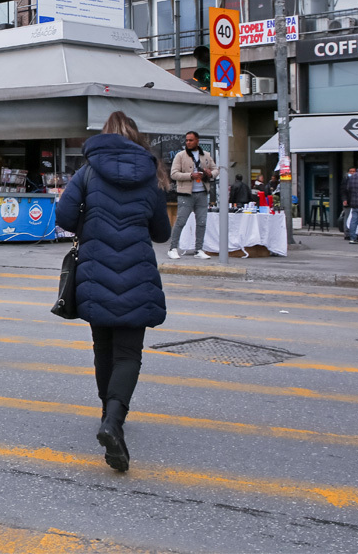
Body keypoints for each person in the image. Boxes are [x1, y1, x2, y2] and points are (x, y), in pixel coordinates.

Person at [57, 111, 171, 474]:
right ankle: (113, 420)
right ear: (136, 138)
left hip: (95, 269)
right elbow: (162, 233)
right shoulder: (150, 176)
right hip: (136, 272)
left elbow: (63, 216)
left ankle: (108, 414)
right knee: (128, 353)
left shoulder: (88, 171)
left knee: (103, 347)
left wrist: (88, 218)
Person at [167, 131, 217, 260]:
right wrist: (190, 176)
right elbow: (173, 174)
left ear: (197, 141)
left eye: (191, 140)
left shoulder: (206, 155)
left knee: (201, 222)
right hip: (186, 194)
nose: (188, 142)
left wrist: (210, 173)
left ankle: (198, 249)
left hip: (202, 192)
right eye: (187, 140)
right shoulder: (180, 156)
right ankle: (172, 248)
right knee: (180, 221)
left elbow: (216, 169)